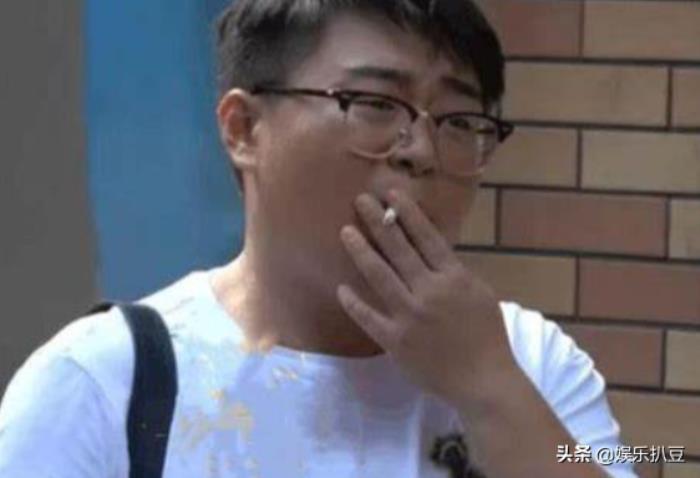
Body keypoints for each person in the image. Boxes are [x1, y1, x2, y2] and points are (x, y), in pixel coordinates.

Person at [0, 1, 637, 477]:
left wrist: (489, 386)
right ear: (244, 129)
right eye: (375, 104)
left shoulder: (531, 361)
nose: (420, 150)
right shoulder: (102, 382)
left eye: (458, 119)